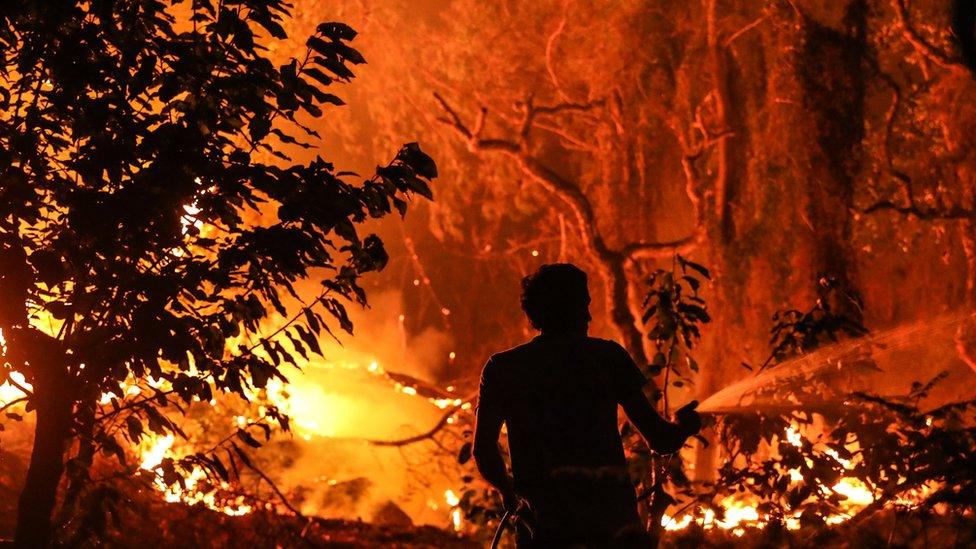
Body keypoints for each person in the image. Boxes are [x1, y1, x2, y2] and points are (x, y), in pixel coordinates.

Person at [473, 263, 701, 547]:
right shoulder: (607, 358)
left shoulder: (503, 368)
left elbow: (483, 448)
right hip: (611, 523)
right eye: (584, 305)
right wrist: (686, 425)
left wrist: (510, 495)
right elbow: (661, 439)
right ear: (570, 309)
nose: (589, 315)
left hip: (544, 526)